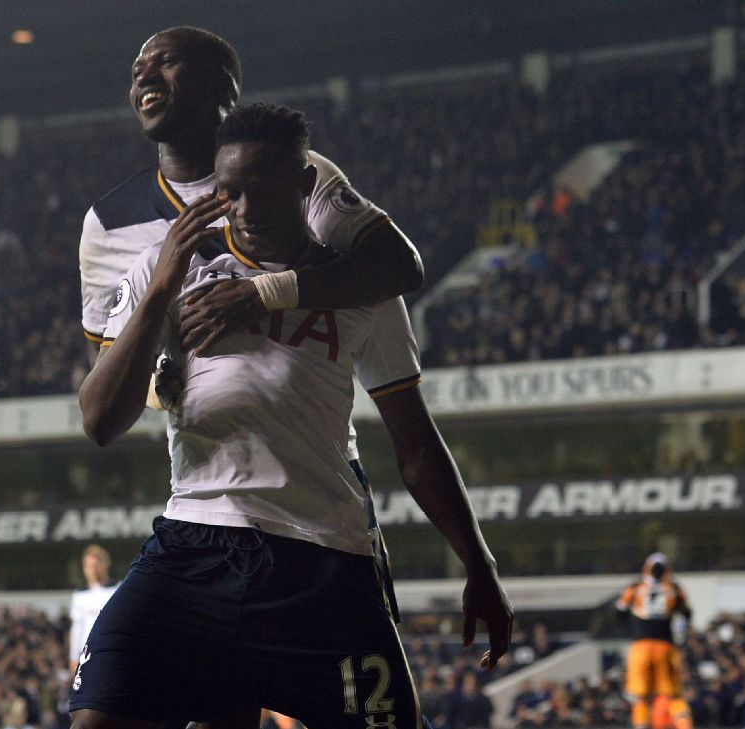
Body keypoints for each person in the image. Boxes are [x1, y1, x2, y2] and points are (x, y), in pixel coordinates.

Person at [74, 102, 512, 728]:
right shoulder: (172, 266)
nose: (245, 211)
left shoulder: (359, 290)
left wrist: (478, 561)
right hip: (195, 544)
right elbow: (98, 421)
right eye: (229, 193)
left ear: (306, 186)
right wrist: (162, 286)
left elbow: (415, 444)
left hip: (324, 560)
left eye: (264, 191)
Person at [79, 21, 419, 640]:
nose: (144, 78)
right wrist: (168, 370)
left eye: (166, 63)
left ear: (224, 89)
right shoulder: (107, 224)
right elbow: (110, 377)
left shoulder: (297, 170)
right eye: (136, 70)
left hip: (320, 480)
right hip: (209, 486)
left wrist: (263, 296)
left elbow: (396, 266)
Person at [616, 553, 693, 729]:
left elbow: (618, 613)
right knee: (673, 695)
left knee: (639, 696)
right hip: (665, 646)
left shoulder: (635, 588)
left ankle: (641, 725)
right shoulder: (674, 588)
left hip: (640, 647)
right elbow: (687, 613)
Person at [69, 545, 119, 674]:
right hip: (87, 656)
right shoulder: (79, 595)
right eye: (88, 566)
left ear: (105, 565)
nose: (92, 570)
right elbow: (77, 629)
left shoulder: (117, 590)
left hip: (111, 651)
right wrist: (74, 658)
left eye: (96, 565)